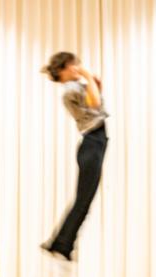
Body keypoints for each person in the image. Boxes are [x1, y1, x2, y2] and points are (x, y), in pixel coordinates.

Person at [40, 52, 109, 262]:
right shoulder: (70, 90)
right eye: (74, 64)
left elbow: (94, 104)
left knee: (84, 200)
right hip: (92, 143)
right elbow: (96, 105)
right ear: (65, 69)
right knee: (83, 200)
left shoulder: (73, 88)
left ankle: (61, 245)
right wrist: (88, 78)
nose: (78, 67)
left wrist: (93, 83)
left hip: (94, 143)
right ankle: (60, 245)